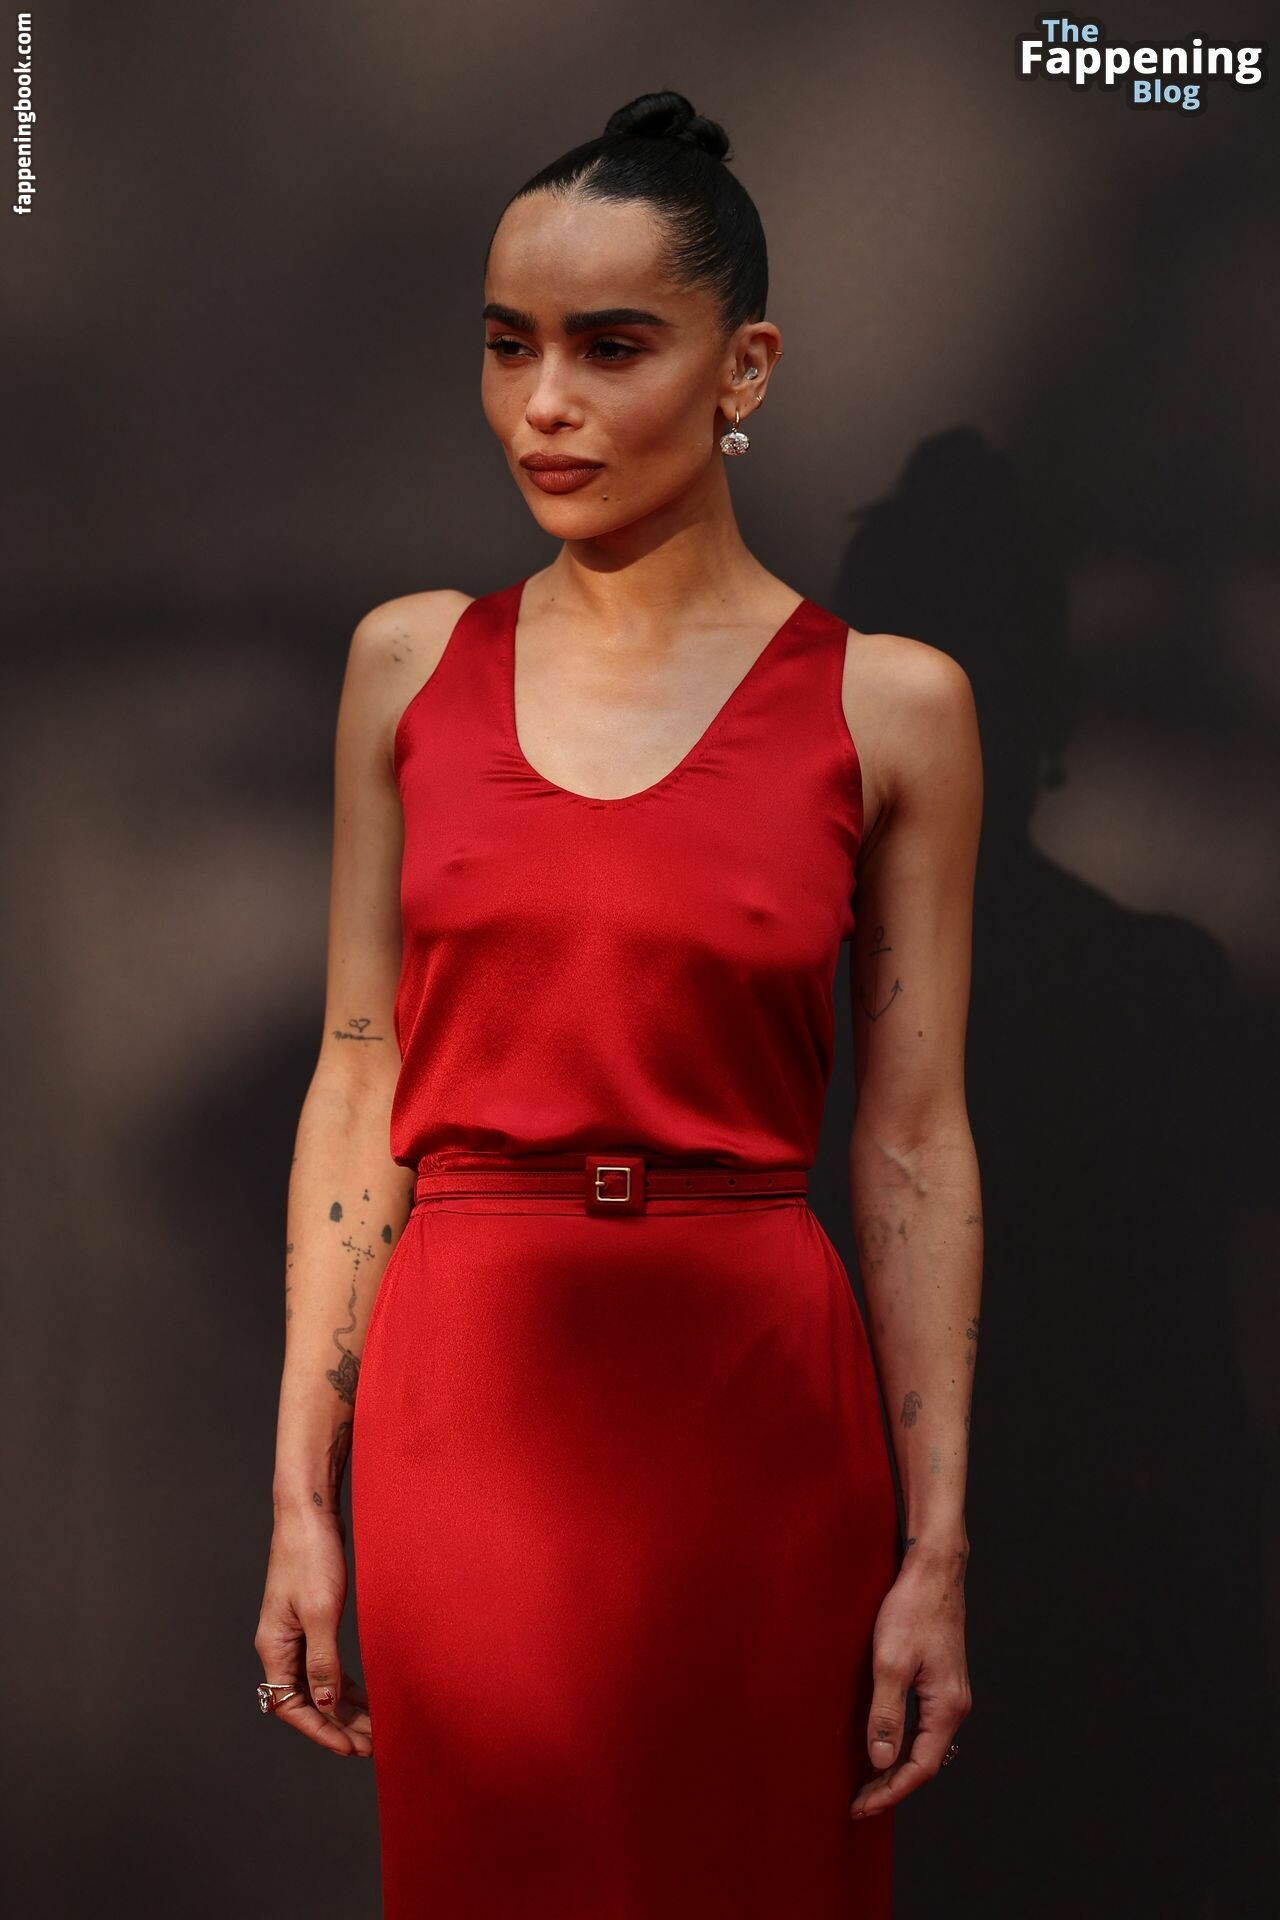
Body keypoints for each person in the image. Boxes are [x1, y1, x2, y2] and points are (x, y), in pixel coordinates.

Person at [255, 88, 981, 1919]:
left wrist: (938, 1546)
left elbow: (912, 1138)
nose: (544, 405)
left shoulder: (891, 706)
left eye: (610, 346)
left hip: (758, 1417)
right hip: (465, 1410)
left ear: (746, 369)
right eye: (509, 346)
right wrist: (299, 1496)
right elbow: (359, 1077)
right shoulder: (408, 663)